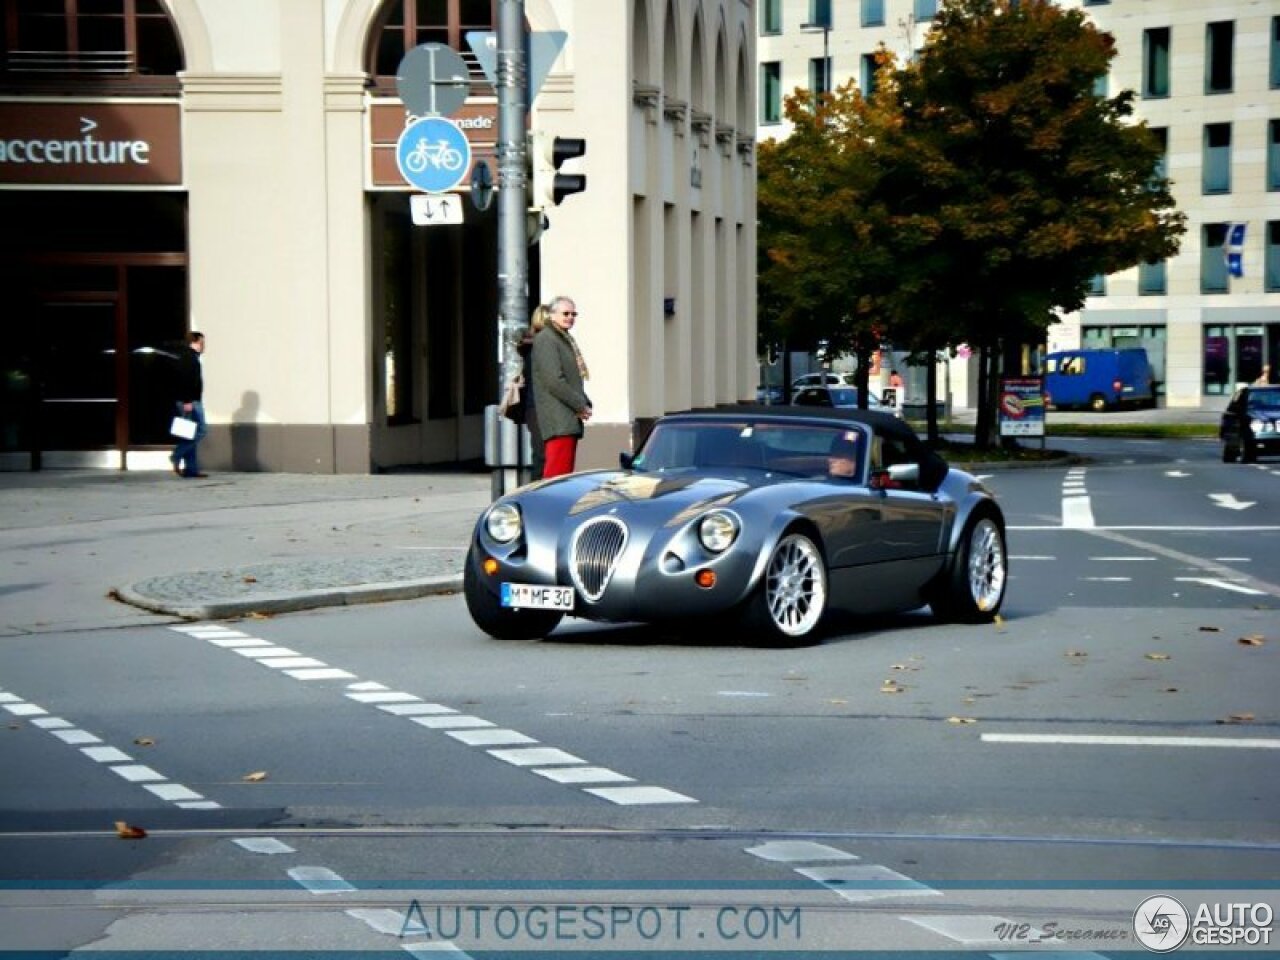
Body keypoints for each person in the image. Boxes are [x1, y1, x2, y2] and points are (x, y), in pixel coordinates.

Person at [531, 295, 591, 478]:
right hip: (558, 419)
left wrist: (586, 402)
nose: (570, 317)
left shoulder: (563, 338)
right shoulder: (547, 339)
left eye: (574, 314)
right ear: (552, 315)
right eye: (565, 313)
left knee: (564, 476)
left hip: (567, 417)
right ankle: (547, 507)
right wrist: (579, 405)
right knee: (556, 478)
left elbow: (572, 379)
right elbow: (554, 381)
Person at [516, 303, 550, 481]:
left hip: (535, 408)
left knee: (541, 455)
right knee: (542, 457)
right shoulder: (540, 348)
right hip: (538, 407)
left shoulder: (533, 347)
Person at [170, 330, 208, 478]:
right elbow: (185, 380)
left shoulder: (189, 356)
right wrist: (187, 401)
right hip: (190, 401)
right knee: (201, 430)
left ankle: (191, 469)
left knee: (188, 434)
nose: (204, 345)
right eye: (202, 342)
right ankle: (176, 454)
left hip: (189, 400)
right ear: (195, 341)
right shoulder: (188, 357)